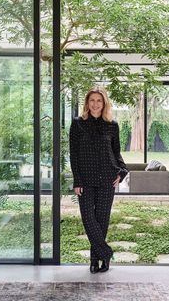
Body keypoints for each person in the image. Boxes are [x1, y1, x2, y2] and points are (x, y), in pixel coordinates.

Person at [69, 85, 128, 273]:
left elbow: (116, 152)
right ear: (87, 102)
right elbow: (74, 155)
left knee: (102, 220)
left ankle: (96, 261)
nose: (95, 104)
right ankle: (106, 252)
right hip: (85, 180)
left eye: (99, 100)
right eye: (92, 100)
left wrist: (121, 172)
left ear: (104, 103)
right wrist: (77, 180)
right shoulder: (77, 123)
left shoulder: (113, 125)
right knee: (88, 219)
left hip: (107, 179)